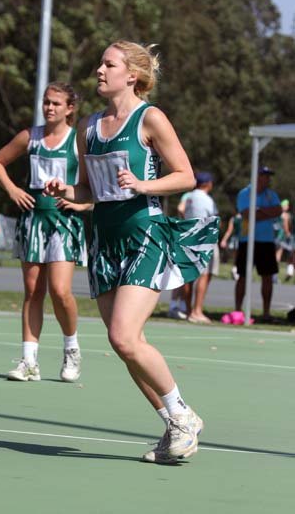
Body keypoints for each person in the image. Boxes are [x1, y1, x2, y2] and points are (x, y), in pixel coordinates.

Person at [44, 40, 219, 464]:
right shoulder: (88, 127)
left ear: (133, 75)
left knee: (124, 335)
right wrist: (66, 190)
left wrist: (144, 185)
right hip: (104, 240)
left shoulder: (150, 118)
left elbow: (184, 176)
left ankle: (182, 417)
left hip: (145, 233)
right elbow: (89, 190)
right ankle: (173, 425)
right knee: (124, 343)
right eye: (100, 64)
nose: (99, 71)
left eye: (109, 64)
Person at [0, 82, 91, 382]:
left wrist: (84, 206)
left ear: (69, 109)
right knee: (33, 291)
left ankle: (72, 348)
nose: (49, 108)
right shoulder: (30, 137)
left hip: (64, 221)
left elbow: (95, 183)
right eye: (46, 102)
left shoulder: (78, 141)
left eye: (56, 103)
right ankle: (28, 361)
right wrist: (12, 189)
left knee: (60, 291)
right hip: (33, 220)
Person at [235, 166, 282, 322]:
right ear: (257, 176)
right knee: (243, 276)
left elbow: (278, 210)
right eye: (265, 175)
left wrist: (259, 211)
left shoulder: (271, 194)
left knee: (267, 277)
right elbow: (247, 213)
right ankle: (238, 311)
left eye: (269, 176)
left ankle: (266, 313)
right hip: (247, 240)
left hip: (266, 240)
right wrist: (265, 212)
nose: (268, 179)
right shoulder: (244, 193)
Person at [183, 172, 220, 324]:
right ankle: (197, 311)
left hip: (188, 236)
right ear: (207, 183)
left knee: (188, 276)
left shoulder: (189, 197)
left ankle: (188, 310)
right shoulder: (206, 199)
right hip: (204, 237)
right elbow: (215, 218)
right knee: (204, 275)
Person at [167, 191, 191, 320]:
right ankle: (174, 306)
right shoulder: (188, 196)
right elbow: (180, 208)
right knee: (180, 274)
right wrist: (187, 222)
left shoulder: (188, 196)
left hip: (184, 236)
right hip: (185, 237)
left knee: (184, 275)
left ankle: (181, 306)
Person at [274, 199, 294, 280]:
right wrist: (288, 234)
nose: (288, 207)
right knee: (278, 256)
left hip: (273, 237)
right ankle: (274, 275)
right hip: (281, 237)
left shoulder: (276, 214)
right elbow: (285, 227)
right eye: (287, 205)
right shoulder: (285, 215)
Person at [220, 212, 242, 280]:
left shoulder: (233, 218)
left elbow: (229, 231)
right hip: (242, 239)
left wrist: (224, 240)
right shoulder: (246, 217)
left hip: (234, 239)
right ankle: (236, 271)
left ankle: (235, 269)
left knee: (236, 257)